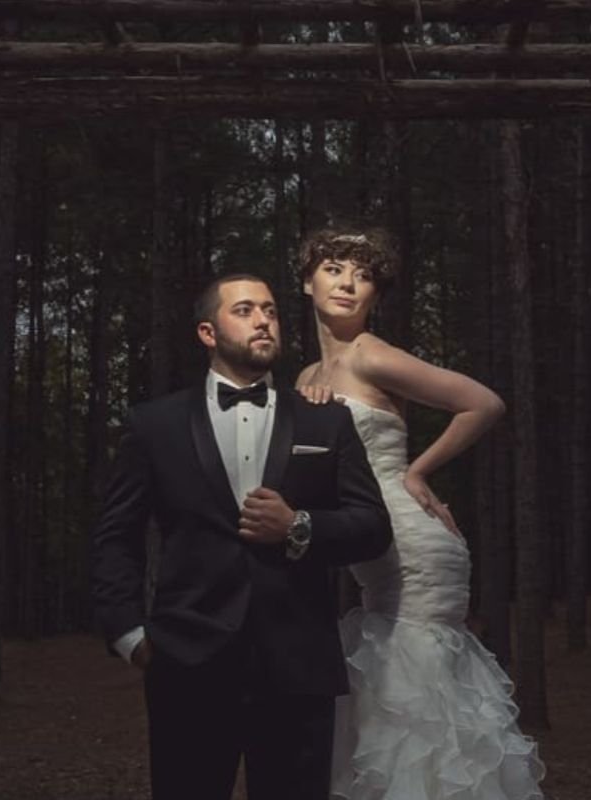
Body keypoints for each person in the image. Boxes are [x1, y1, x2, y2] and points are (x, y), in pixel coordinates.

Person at [88, 273, 395, 800]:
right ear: (208, 332)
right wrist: (128, 634)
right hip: (187, 663)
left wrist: (298, 526)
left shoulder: (325, 422)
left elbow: (372, 527)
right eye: (245, 310)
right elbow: (116, 535)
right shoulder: (153, 425)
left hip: (298, 666)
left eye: (270, 311)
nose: (263, 321)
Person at [292, 227, 545, 799]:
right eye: (333, 269)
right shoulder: (307, 378)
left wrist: (417, 472)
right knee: (387, 693)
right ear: (307, 282)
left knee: (415, 691)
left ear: (375, 296)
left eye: (363, 276)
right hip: (365, 542)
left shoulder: (371, 354)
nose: (347, 284)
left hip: (411, 541)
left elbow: (483, 403)